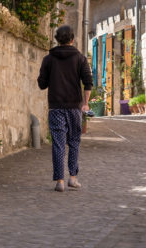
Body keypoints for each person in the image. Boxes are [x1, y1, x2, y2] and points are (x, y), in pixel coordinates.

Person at [37, 24, 92, 192]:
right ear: (72, 39)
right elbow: (88, 82)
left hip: (56, 107)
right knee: (74, 141)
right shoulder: (80, 58)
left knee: (58, 144)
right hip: (74, 107)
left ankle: (59, 180)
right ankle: (72, 178)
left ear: (57, 40)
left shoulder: (48, 59)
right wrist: (85, 102)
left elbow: (42, 84)